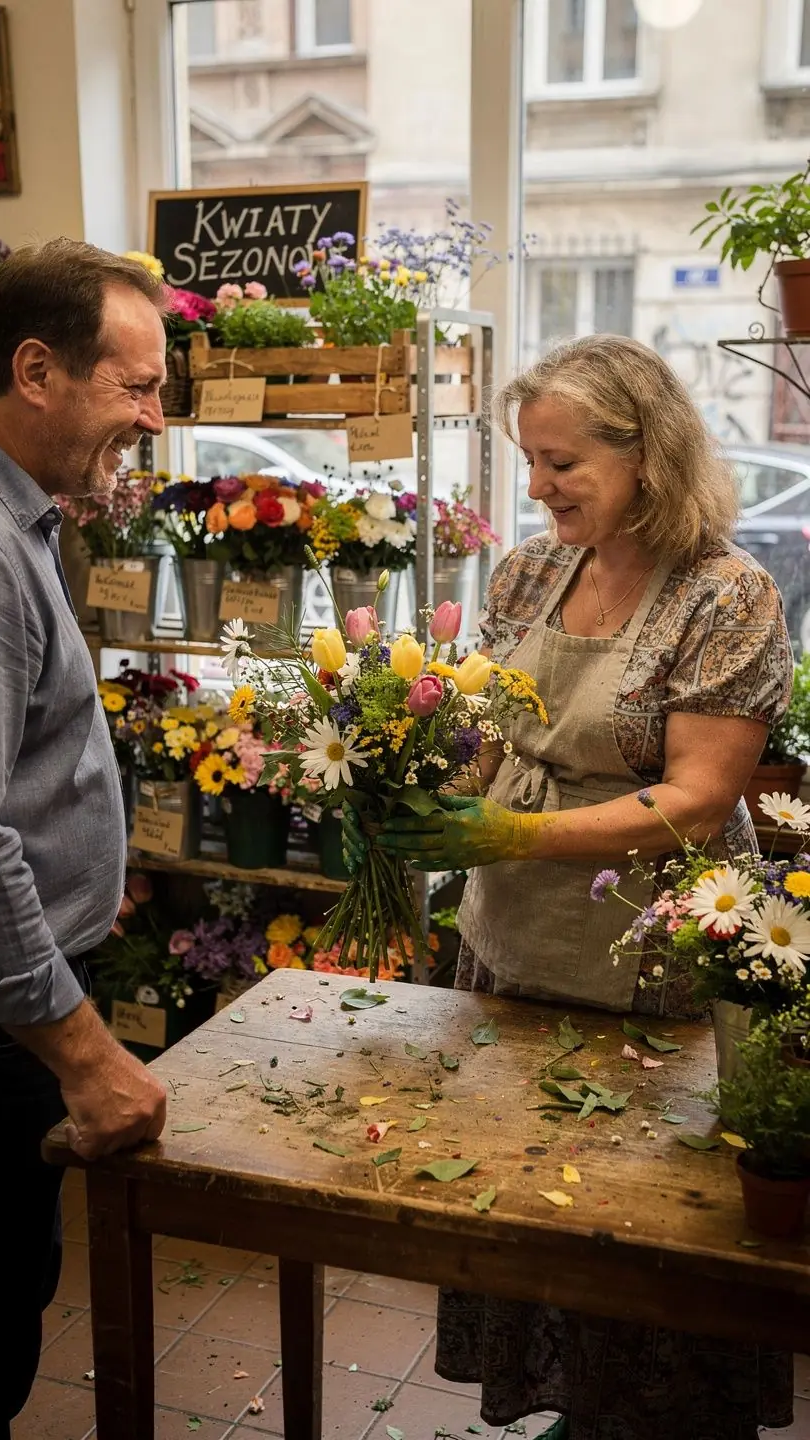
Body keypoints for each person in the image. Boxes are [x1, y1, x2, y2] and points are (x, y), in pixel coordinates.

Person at [367, 335, 796, 1440]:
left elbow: (697, 799)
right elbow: (487, 727)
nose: (539, 486)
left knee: (646, 1217)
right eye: (530, 461)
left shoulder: (727, 598)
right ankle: (573, 1412)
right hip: (515, 938)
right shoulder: (528, 572)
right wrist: (415, 786)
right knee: (529, 1188)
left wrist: (509, 830)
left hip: (656, 955)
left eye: (562, 463)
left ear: (647, 456)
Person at [0, 239, 170, 1439]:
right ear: (36, 370)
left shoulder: (29, 521)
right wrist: (88, 1055)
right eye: (137, 387)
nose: (154, 419)